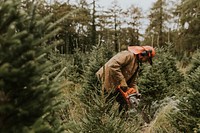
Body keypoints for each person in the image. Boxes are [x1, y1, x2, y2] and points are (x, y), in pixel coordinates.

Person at [96, 45, 156, 113]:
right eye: (147, 59)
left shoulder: (137, 64)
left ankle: (122, 121)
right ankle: (104, 120)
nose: (146, 61)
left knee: (124, 104)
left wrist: (136, 93)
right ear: (143, 54)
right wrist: (122, 81)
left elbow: (133, 82)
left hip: (116, 84)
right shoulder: (127, 55)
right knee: (106, 106)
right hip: (105, 80)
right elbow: (112, 65)